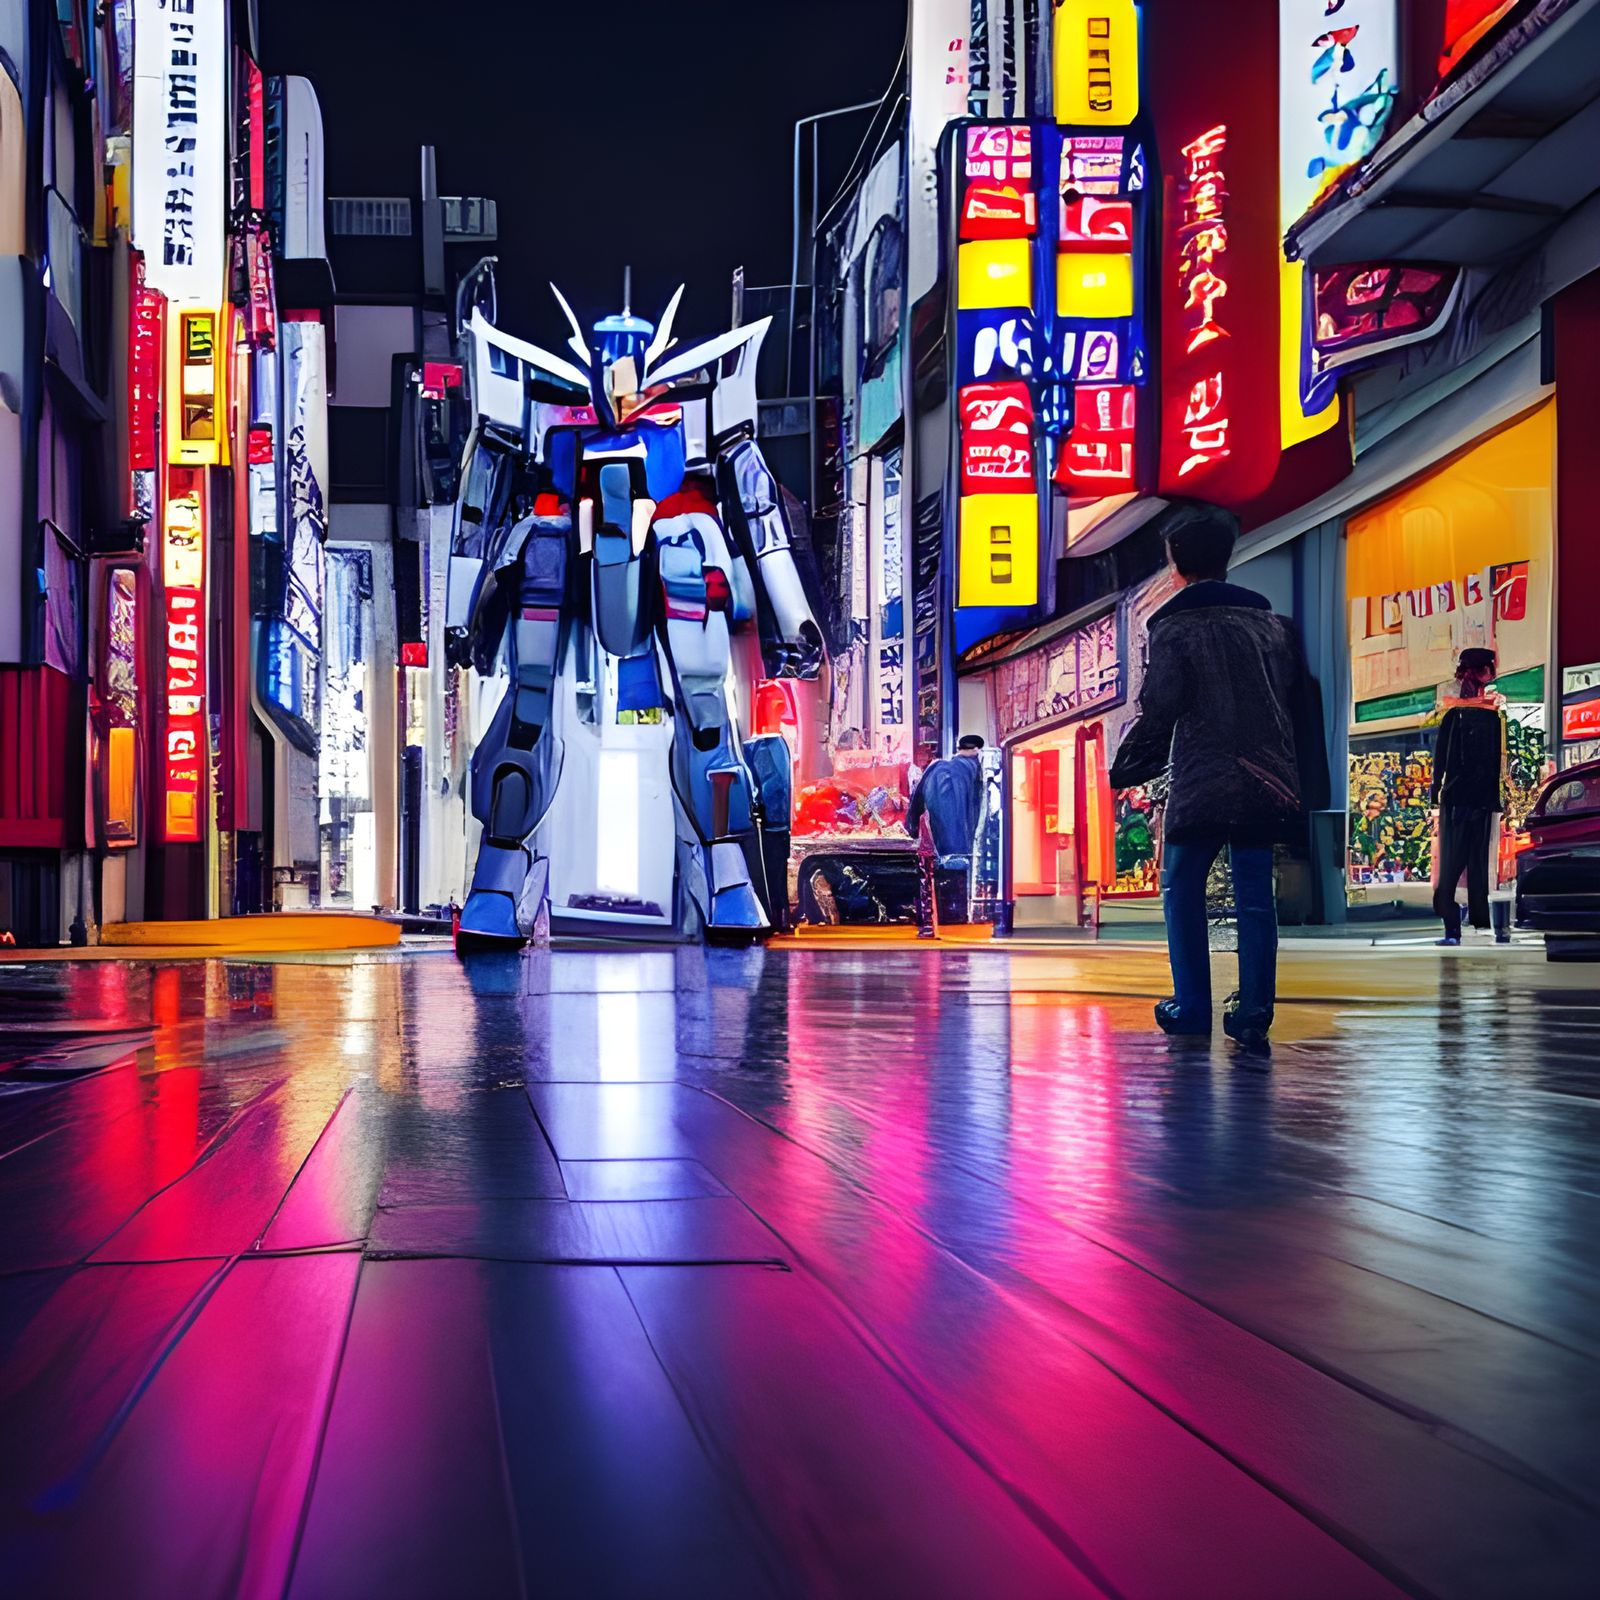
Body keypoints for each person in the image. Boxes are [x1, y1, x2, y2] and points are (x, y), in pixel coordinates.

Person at [1109, 501, 1326, 1050]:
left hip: (1203, 778)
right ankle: (1253, 1010)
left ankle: (1191, 1005)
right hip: (1266, 778)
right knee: (1255, 893)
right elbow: (1301, 705)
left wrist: (1130, 764)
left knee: (1182, 886)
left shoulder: (1174, 628)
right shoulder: (1275, 628)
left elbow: (1161, 707)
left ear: (1176, 562)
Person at [1431, 647, 1506, 944]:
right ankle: (1468, 920)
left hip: (1463, 799)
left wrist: (1436, 792)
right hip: (1475, 800)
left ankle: (1455, 924)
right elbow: (1492, 763)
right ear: (1483, 671)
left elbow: (1442, 759)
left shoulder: (1463, 713)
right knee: (1471, 862)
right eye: (1491, 667)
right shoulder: (1483, 715)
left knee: (1457, 863)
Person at [905, 734, 986, 924]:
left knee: (945, 896)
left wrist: (912, 830)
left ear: (959, 749)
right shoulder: (981, 773)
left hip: (942, 851)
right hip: (972, 854)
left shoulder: (936, 769)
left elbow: (915, 809)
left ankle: (948, 919)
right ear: (977, 751)